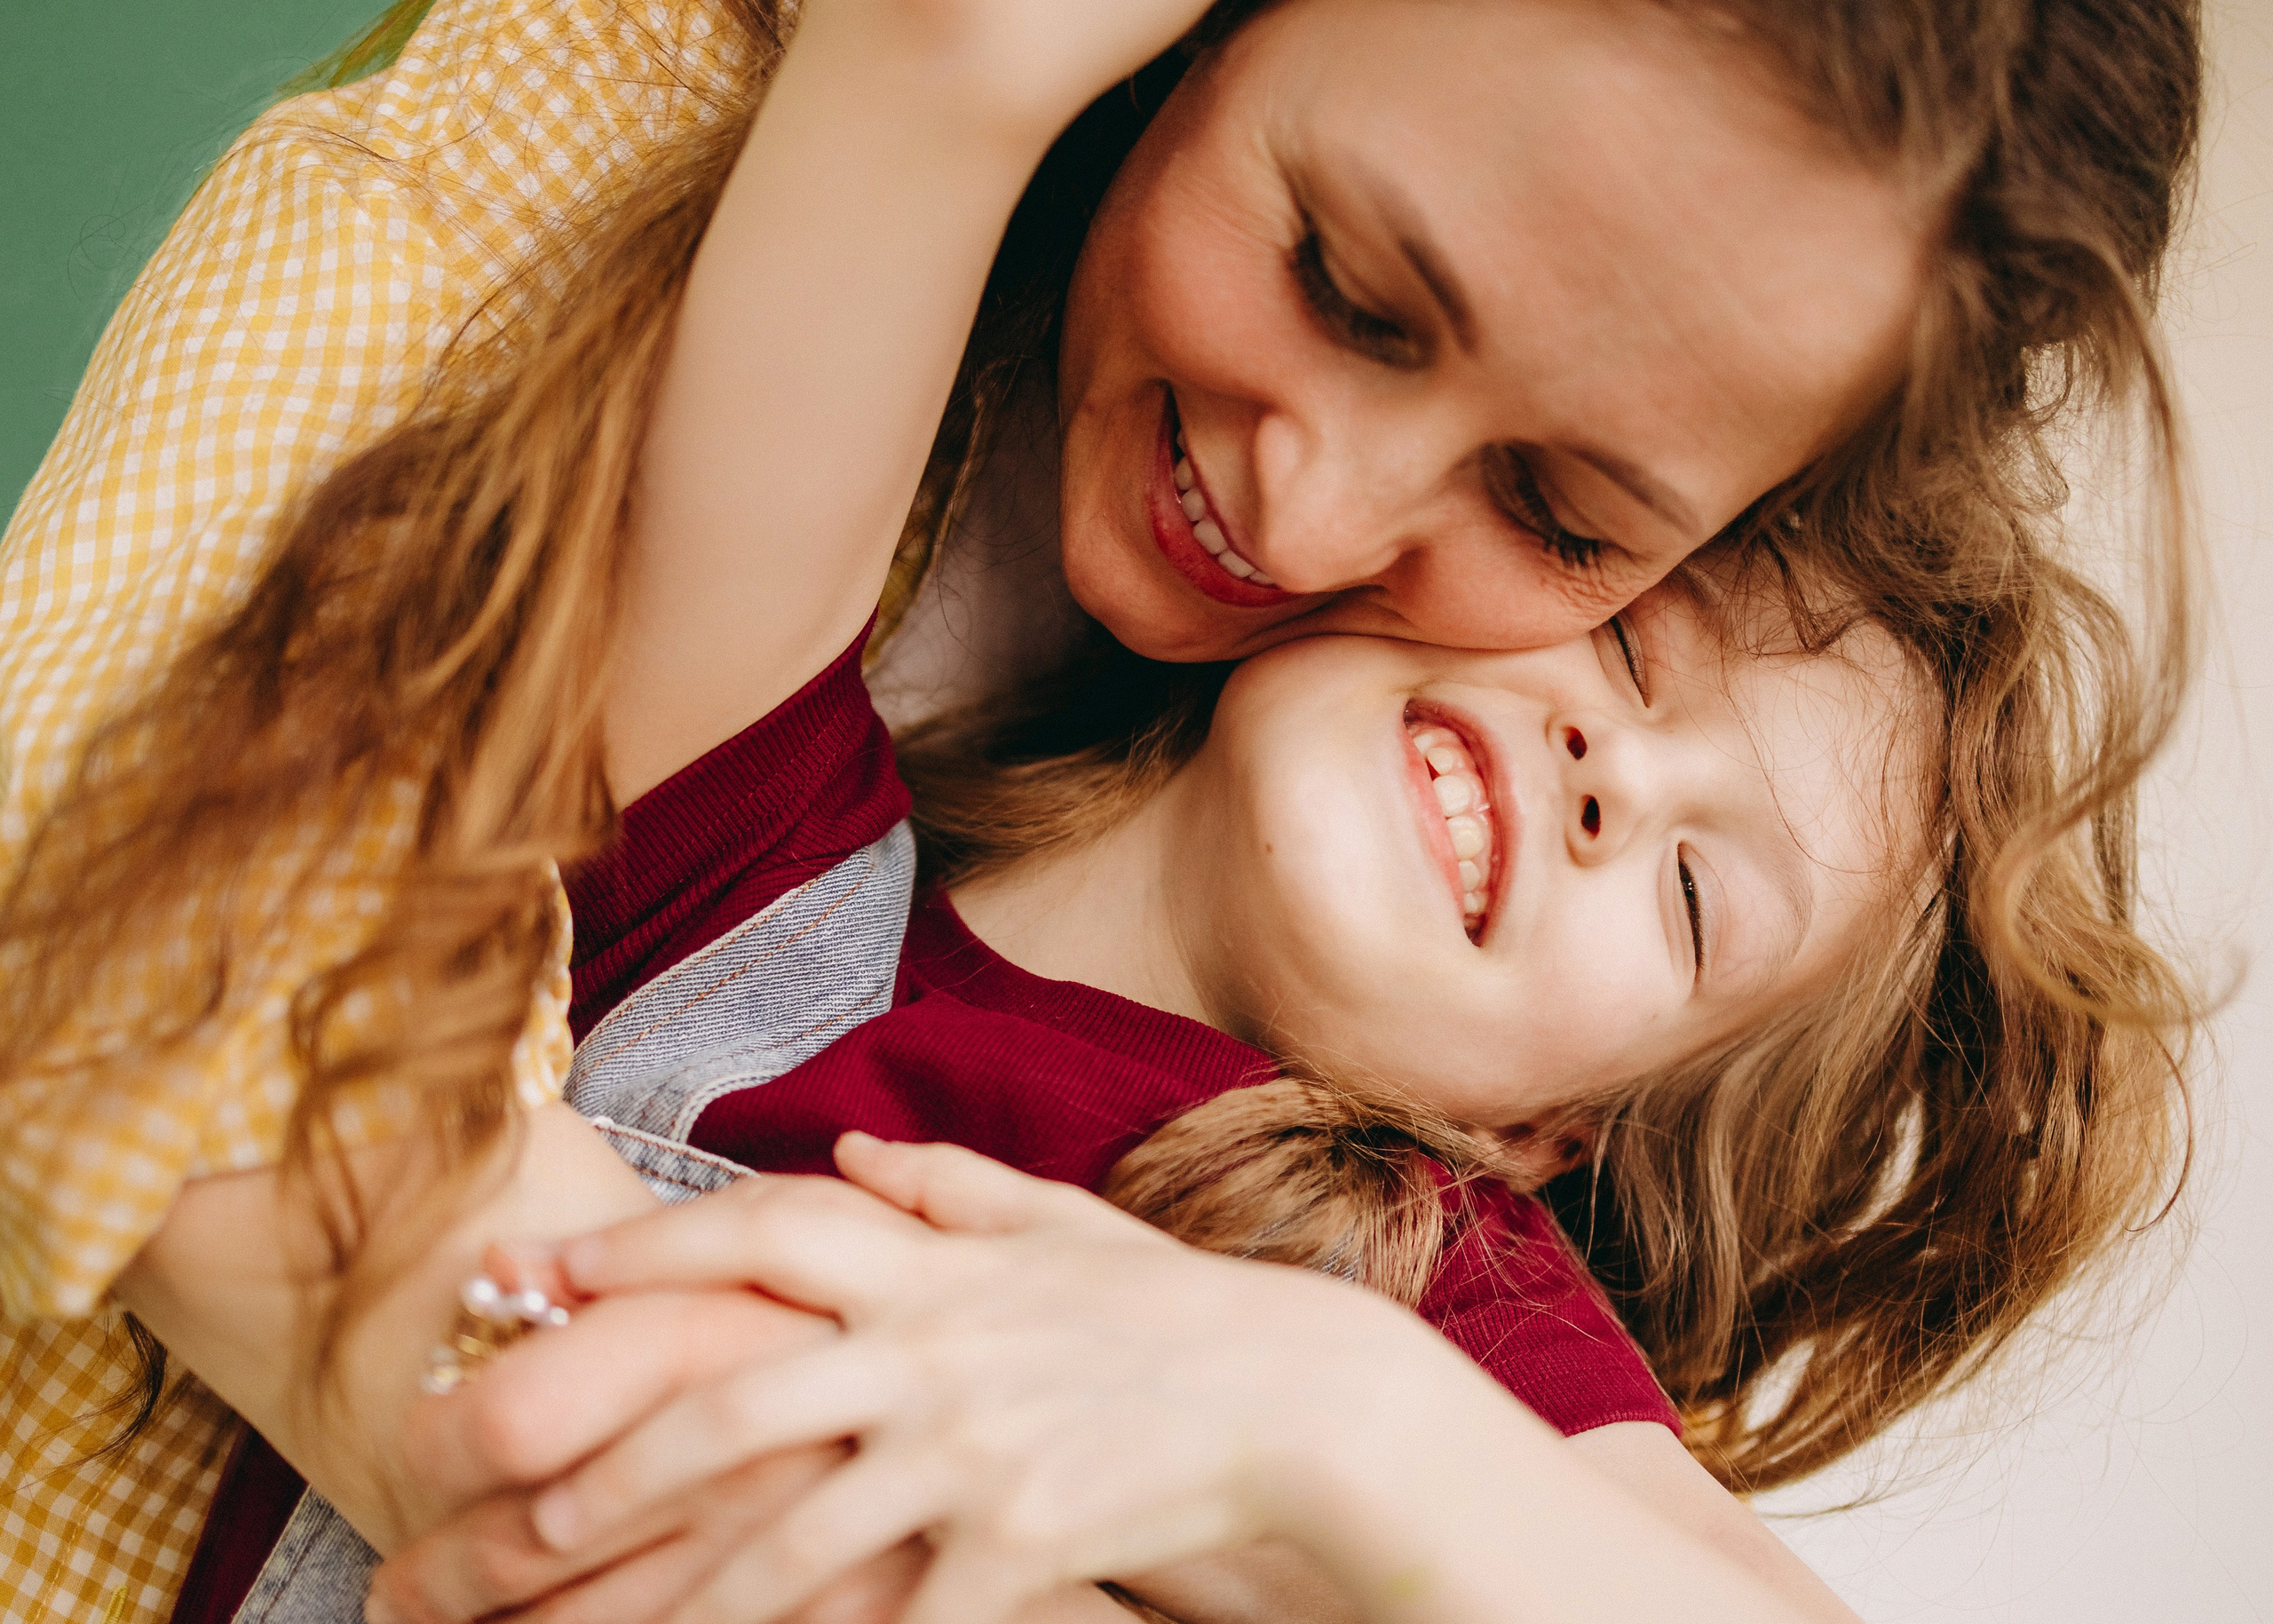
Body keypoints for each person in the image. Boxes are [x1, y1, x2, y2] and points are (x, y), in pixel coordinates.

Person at [0, 0, 2198, 1619]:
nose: (1310, 503)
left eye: (1559, 517)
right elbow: (902, 102)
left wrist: (1334, 1429)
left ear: (1561, 1131)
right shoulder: (774, 842)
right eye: (1343, 284)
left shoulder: (1413, 1279)